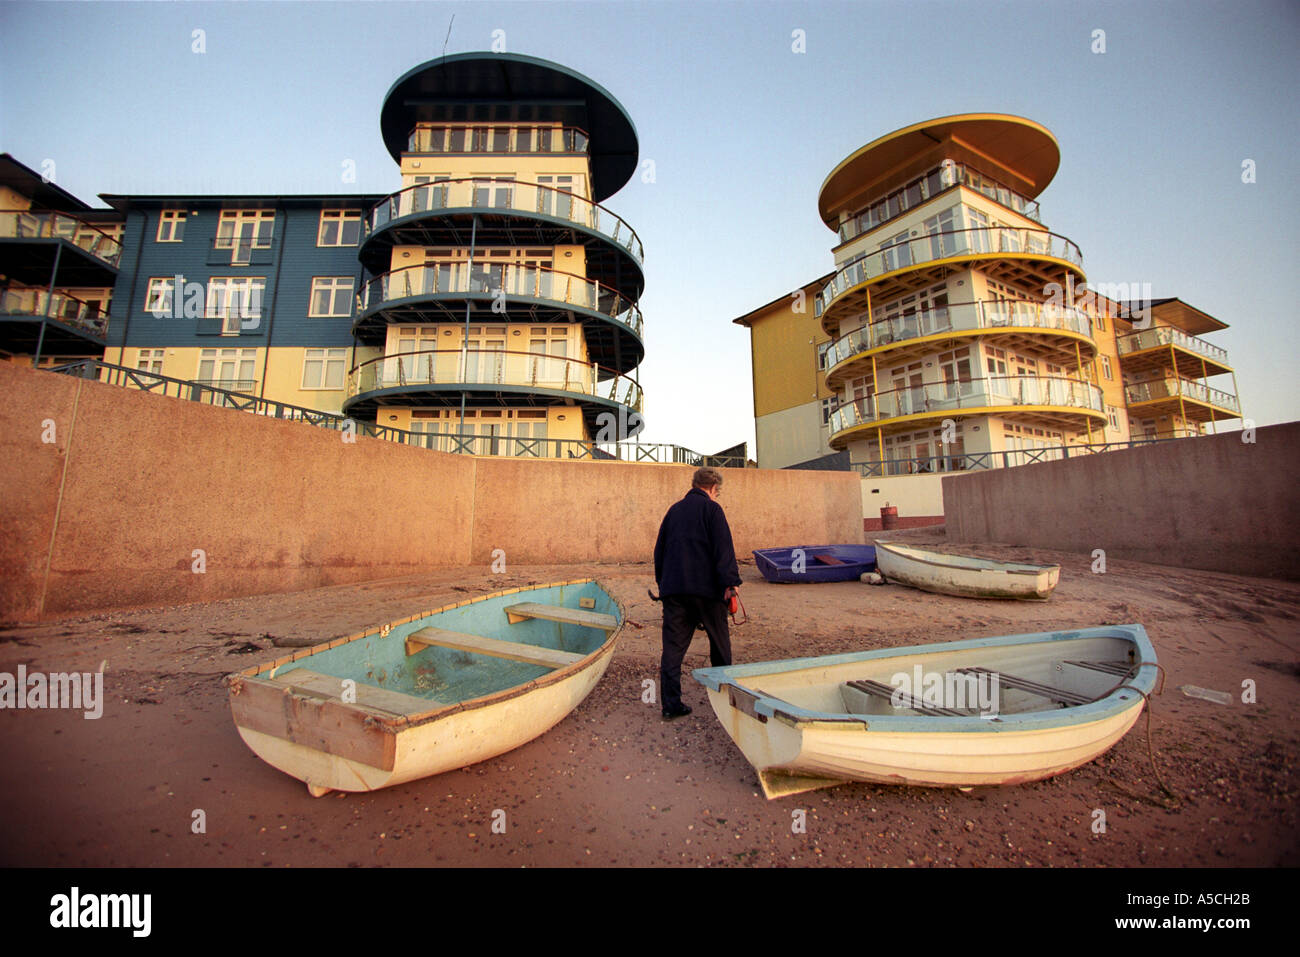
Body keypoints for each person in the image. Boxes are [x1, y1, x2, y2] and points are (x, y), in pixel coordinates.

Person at [653, 467, 742, 719]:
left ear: (694, 485)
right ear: (714, 489)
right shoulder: (713, 510)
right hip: (708, 592)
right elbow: (723, 550)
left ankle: (671, 705)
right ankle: (724, 701)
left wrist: (664, 586)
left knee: (672, 649)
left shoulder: (673, 511)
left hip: (675, 591)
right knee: (720, 646)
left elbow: (659, 552)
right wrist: (731, 584)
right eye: (717, 492)